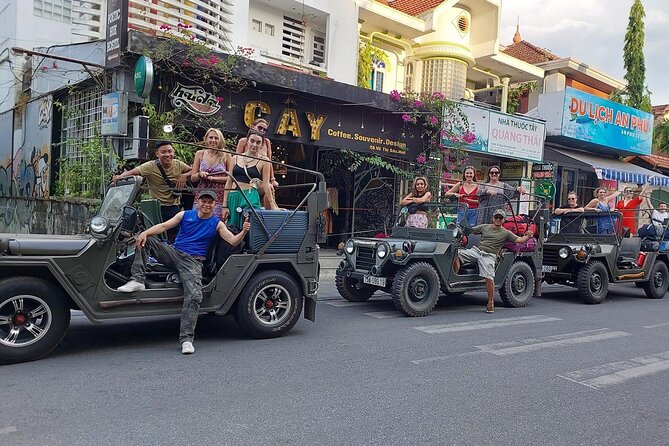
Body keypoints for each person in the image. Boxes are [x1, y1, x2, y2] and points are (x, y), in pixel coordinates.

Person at [116, 190, 251, 355]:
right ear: (198, 202)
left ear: (214, 205)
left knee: (194, 295)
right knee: (147, 240)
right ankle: (137, 280)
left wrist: (243, 232)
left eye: (210, 202)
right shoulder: (185, 215)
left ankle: (186, 339)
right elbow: (164, 226)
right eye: (204, 201)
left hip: (193, 261)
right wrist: (145, 233)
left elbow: (232, 240)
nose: (206, 204)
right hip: (174, 253)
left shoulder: (217, 223)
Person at [453, 209, 534, 313]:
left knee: (489, 277)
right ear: (493, 218)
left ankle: (490, 302)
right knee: (456, 254)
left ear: (503, 220)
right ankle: (455, 279)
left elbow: (519, 240)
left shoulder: (506, 233)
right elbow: (470, 230)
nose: (498, 220)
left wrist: (527, 236)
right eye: (496, 217)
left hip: (489, 255)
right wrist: (459, 228)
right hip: (477, 251)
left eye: (500, 218)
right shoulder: (485, 227)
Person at [112, 140, 192, 242]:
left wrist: (184, 176)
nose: (167, 155)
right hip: (157, 208)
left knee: (174, 235)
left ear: (173, 152)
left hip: (174, 206)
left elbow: (193, 170)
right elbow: (132, 173)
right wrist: (120, 177)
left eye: (169, 151)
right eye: (163, 152)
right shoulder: (150, 166)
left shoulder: (178, 164)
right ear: (157, 154)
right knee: (157, 237)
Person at [224, 129, 277, 229]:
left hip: (250, 196)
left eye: (258, 142)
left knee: (250, 227)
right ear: (247, 141)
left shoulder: (265, 161)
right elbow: (229, 182)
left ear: (261, 145)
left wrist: (272, 205)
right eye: (252, 141)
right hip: (234, 196)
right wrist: (224, 205)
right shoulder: (235, 158)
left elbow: (266, 184)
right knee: (233, 228)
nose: (254, 145)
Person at [236, 118, 278, 209]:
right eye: (260, 128)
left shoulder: (266, 142)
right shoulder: (243, 141)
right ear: (252, 126)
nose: (262, 130)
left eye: (264, 129)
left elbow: (269, 161)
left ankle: (270, 211)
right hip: (245, 178)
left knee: (270, 187)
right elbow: (237, 160)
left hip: (260, 179)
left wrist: (272, 178)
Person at [190, 128, 230, 220]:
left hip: (219, 195)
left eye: (216, 138)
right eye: (211, 137)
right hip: (202, 193)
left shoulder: (226, 155)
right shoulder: (200, 154)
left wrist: (212, 178)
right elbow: (193, 177)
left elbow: (231, 178)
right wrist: (200, 175)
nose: (213, 140)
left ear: (220, 140)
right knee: (198, 219)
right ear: (206, 139)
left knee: (216, 222)